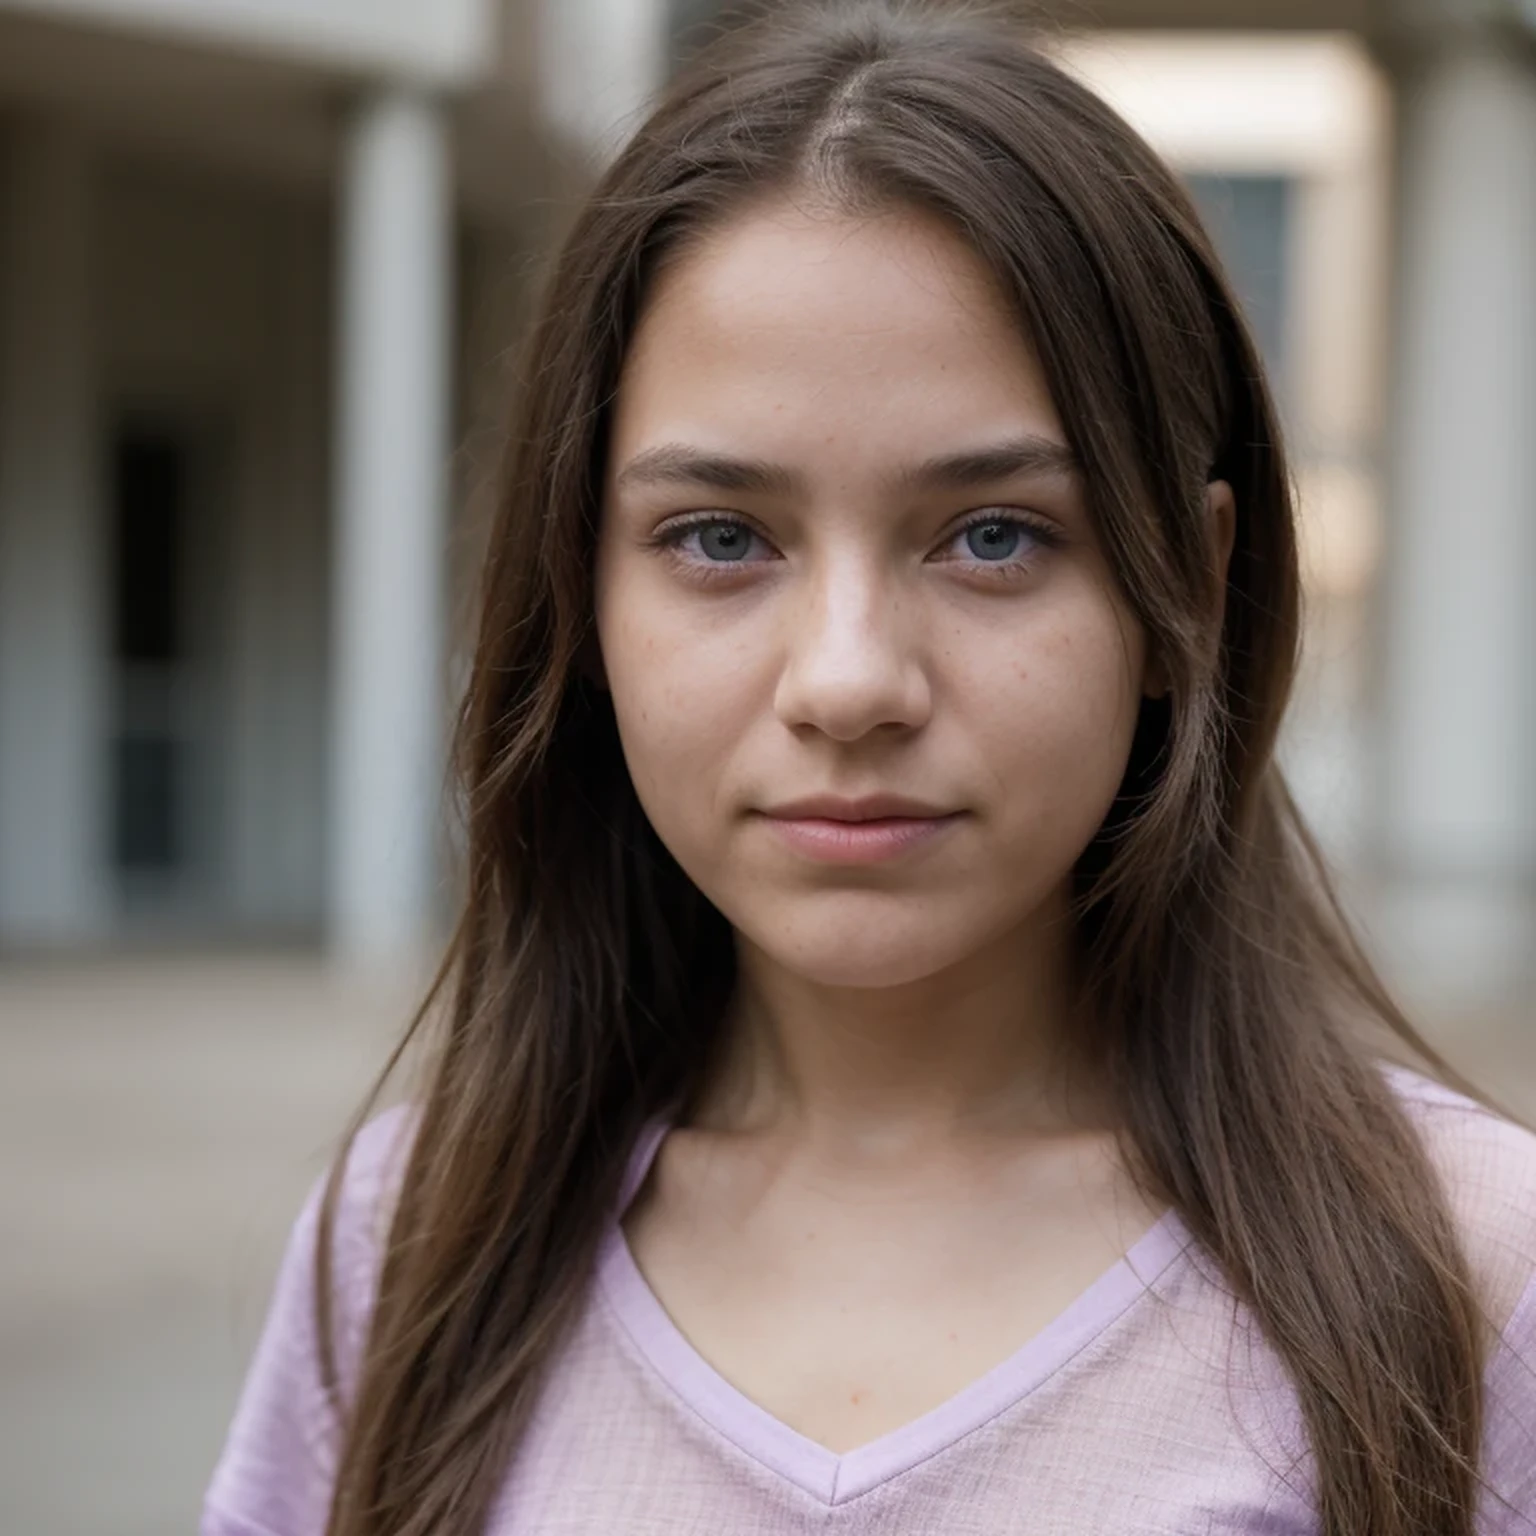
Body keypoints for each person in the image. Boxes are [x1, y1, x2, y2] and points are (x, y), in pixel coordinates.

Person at [202, 2, 1536, 1532]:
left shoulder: (1471, 1277)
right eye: (719, 538)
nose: (847, 681)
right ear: (584, 592)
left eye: (994, 537)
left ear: (1192, 590)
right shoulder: (412, 1247)